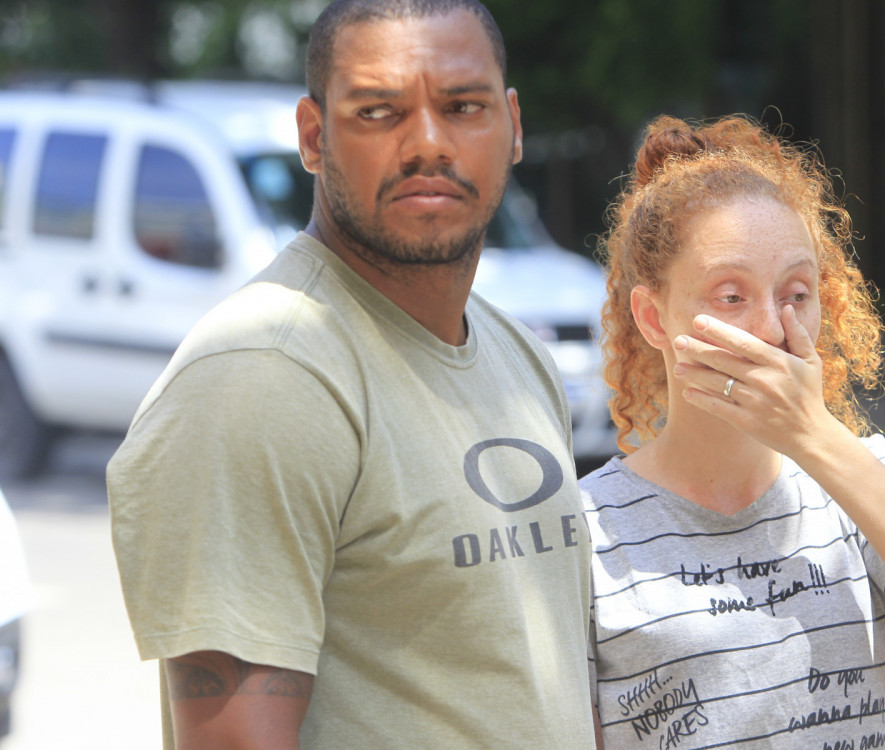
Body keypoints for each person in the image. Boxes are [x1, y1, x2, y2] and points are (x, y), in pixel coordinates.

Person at [107, 1, 595, 747]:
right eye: (378, 112)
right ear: (313, 136)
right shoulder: (264, 376)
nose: (428, 143)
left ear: (513, 125)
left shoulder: (513, 352)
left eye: (464, 107)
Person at [582, 115, 885, 749]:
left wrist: (815, 438)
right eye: (730, 295)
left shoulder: (862, 480)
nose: (772, 326)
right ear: (654, 318)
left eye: (796, 292)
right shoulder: (585, 531)